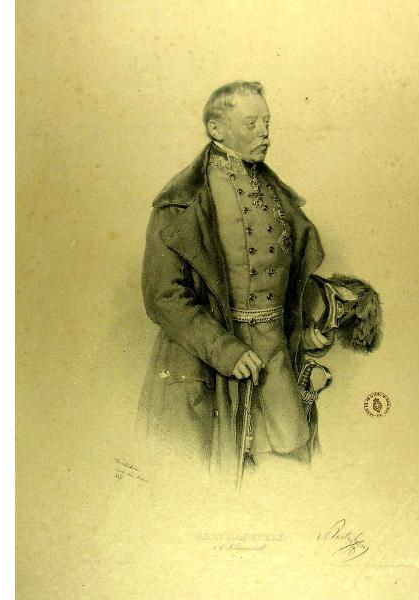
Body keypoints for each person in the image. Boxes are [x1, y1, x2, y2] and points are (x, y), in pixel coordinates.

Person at [136, 81, 332, 480]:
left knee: (289, 471)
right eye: (252, 123)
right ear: (216, 129)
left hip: (277, 356)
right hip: (209, 361)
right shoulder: (181, 201)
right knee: (214, 482)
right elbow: (163, 295)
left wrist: (314, 317)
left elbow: (286, 276)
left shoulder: (276, 193)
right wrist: (225, 351)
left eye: (267, 122)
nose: (265, 132)